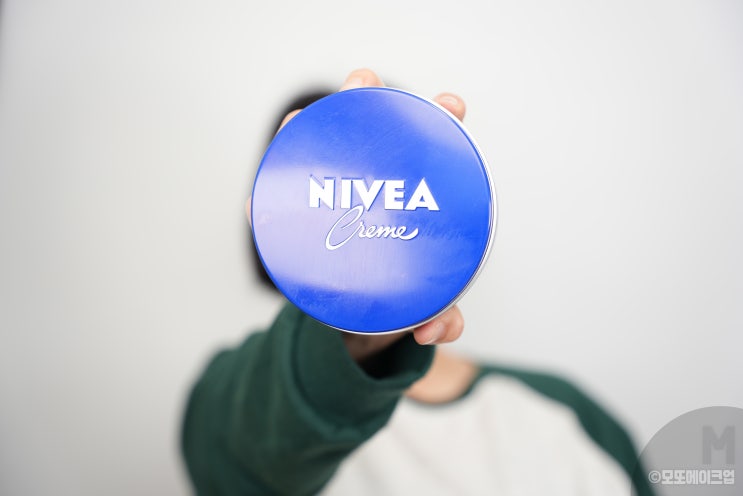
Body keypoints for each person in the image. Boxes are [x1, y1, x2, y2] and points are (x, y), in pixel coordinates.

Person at [181, 69, 652, 495]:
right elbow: (239, 468)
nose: (362, 206)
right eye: (332, 186)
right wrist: (356, 332)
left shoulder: (563, 411)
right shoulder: (236, 407)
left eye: (381, 178)